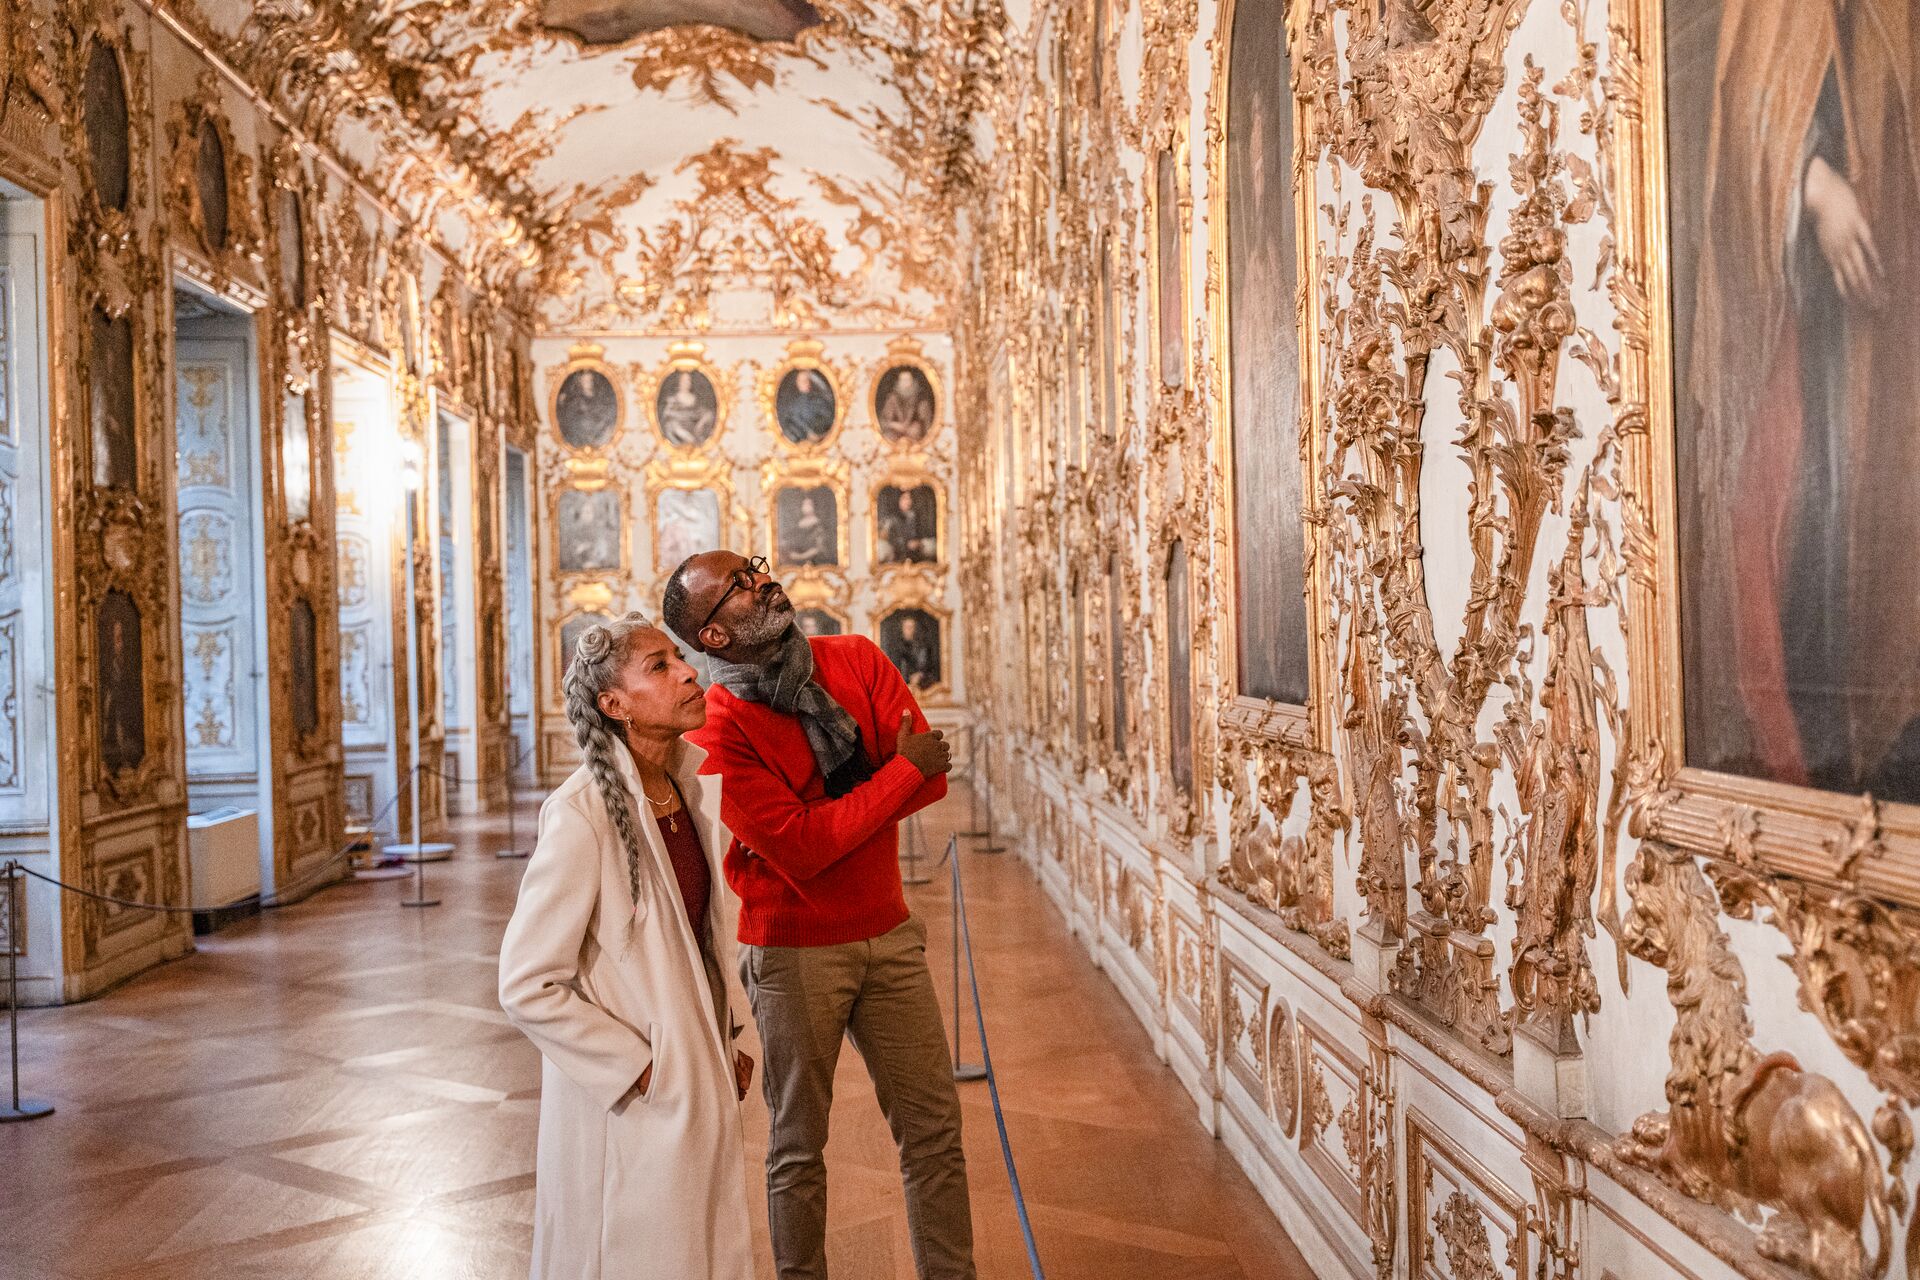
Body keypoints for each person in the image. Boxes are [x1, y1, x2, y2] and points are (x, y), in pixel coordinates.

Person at [662, 550, 974, 1280]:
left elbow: (932, 787)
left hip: (889, 932)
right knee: (798, 1147)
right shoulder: (716, 728)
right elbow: (805, 849)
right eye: (739, 585)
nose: (762, 580)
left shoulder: (856, 659)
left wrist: (856, 805)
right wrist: (898, 771)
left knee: (935, 1134)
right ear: (712, 637)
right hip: (794, 953)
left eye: (755, 567)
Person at [498, 612, 757, 1280]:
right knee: (636, 1255)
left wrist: (726, 1037)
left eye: (679, 659)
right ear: (614, 706)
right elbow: (528, 983)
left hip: (696, 1074)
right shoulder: (582, 813)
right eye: (660, 667)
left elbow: (696, 940)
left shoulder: (686, 789)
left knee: (698, 1247)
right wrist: (641, 1068)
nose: (689, 673)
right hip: (633, 1102)